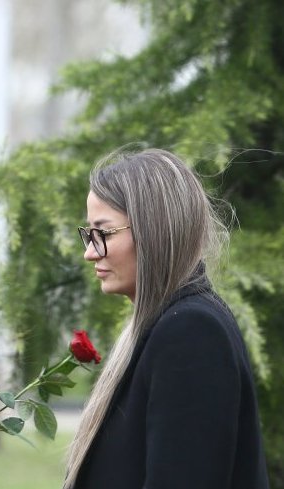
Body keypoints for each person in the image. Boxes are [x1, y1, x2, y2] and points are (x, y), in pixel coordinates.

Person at [64, 149, 270, 489]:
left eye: (104, 233)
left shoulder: (191, 332)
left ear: (153, 230)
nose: (89, 252)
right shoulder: (173, 324)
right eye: (88, 234)